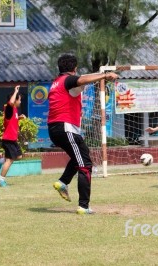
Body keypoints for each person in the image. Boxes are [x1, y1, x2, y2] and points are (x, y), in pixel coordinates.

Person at [48, 54, 118, 215]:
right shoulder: (68, 80)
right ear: (74, 68)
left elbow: (82, 79)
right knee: (85, 166)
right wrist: (105, 75)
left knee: (80, 155)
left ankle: (63, 182)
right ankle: (83, 206)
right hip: (66, 128)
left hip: (56, 129)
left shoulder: (56, 82)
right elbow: (80, 80)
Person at [0, 85, 26, 187]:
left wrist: (19, 118)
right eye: (19, 100)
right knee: (10, 160)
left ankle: (0, 161)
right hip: (8, 140)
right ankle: (1, 179)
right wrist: (15, 91)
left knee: (19, 156)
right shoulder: (9, 108)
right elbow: (10, 102)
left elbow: (10, 122)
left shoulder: (14, 111)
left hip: (12, 139)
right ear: (15, 99)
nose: (20, 102)